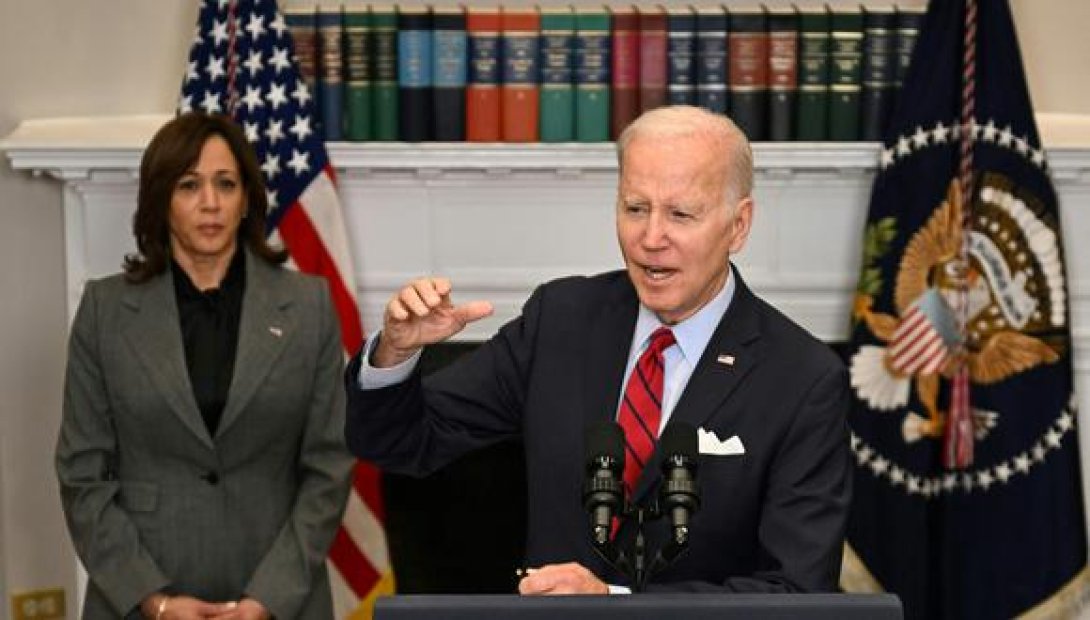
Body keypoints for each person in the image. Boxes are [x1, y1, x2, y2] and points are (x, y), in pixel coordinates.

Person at [345, 105, 851, 594]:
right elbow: (401, 443)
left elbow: (797, 589)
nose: (651, 237)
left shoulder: (803, 379)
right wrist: (394, 354)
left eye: (680, 214)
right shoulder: (561, 320)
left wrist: (617, 605)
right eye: (635, 209)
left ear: (738, 225)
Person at [55, 112, 353, 619]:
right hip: (140, 599)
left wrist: (267, 600)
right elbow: (82, 476)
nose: (210, 203)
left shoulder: (309, 306)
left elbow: (330, 466)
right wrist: (156, 601)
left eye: (226, 184)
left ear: (246, 200)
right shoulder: (104, 311)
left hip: (280, 598)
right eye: (189, 185)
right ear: (161, 201)